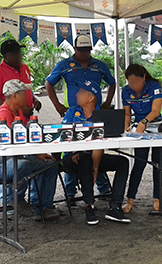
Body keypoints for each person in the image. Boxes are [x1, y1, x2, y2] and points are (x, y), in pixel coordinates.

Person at [45, 34, 115, 199]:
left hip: (95, 113)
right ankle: (70, 192)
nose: (84, 54)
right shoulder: (64, 65)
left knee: (96, 147)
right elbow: (49, 83)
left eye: (87, 50)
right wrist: (57, 105)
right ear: (74, 49)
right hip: (73, 112)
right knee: (73, 146)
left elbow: (112, 82)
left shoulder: (99, 65)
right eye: (81, 50)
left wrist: (106, 104)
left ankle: (103, 188)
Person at [0, 80, 59, 221]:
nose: (28, 97)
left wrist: (37, 153)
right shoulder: (3, 114)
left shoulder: (18, 112)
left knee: (50, 164)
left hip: (14, 158)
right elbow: (9, 146)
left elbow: (25, 139)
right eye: (24, 94)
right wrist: (34, 153)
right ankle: (16, 200)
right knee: (23, 165)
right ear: (15, 96)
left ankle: (43, 206)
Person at [61, 81, 130, 225]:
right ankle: (89, 205)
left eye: (81, 92)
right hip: (70, 157)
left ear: (91, 97)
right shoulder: (72, 111)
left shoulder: (102, 115)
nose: (77, 95)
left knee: (123, 161)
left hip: (93, 156)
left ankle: (115, 206)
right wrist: (76, 151)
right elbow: (65, 135)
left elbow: (100, 144)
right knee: (84, 157)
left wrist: (96, 168)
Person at [121, 64, 162, 213]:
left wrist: (144, 122)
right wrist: (126, 127)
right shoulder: (126, 92)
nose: (134, 86)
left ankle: (157, 198)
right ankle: (130, 199)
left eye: (136, 82)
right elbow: (127, 113)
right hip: (139, 131)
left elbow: (155, 110)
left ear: (144, 78)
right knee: (139, 163)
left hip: (156, 127)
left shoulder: (154, 87)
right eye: (130, 83)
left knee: (158, 163)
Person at [0, 39, 42, 118]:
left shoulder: (25, 68)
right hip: (10, 119)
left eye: (19, 52)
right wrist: (19, 109)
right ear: (5, 56)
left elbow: (27, 89)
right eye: (15, 54)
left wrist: (34, 100)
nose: (19, 56)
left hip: (28, 118)